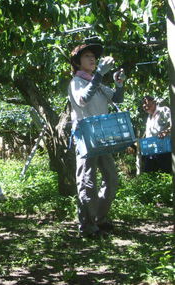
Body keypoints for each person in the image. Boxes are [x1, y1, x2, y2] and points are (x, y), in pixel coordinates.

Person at [68, 43, 126, 238]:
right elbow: (82, 100)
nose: (92, 59)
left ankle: (99, 218)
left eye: (93, 56)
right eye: (87, 56)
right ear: (77, 62)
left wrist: (119, 84)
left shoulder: (96, 82)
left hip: (102, 136)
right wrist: (100, 74)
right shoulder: (77, 82)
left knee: (111, 177)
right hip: (85, 136)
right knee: (87, 180)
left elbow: (117, 99)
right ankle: (86, 225)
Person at [142, 95, 172, 173]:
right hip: (152, 150)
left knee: (167, 171)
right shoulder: (149, 117)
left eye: (145, 102)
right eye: (143, 104)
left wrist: (166, 131)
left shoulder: (164, 110)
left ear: (153, 102)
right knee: (149, 173)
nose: (144, 105)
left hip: (165, 149)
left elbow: (173, 124)